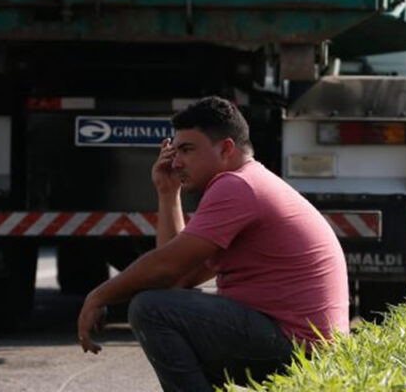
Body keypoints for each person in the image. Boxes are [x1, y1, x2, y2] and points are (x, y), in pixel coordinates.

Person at [76, 96, 349, 391]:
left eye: (187, 149)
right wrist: (168, 194)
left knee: (151, 309)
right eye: (175, 150)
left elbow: (166, 270)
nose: (176, 160)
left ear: (226, 149)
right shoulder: (246, 182)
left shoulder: (236, 186)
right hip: (300, 346)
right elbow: (178, 277)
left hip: (298, 348)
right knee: (159, 305)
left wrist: (98, 296)